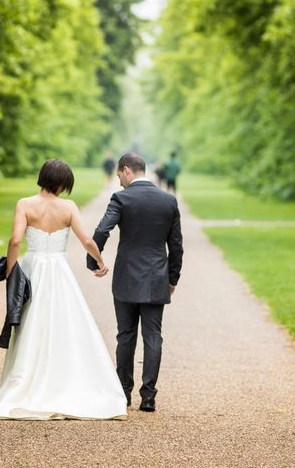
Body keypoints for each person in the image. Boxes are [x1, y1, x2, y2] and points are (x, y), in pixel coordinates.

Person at [0, 159, 127, 421]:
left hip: (33, 268)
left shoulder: (25, 205)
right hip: (59, 271)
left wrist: (10, 272)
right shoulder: (68, 207)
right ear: (62, 183)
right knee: (64, 323)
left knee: (30, 323)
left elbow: (15, 240)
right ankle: (63, 380)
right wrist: (100, 261)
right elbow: (86, 239)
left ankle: (25, 381)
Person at [87, 153, 183, 412]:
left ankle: (124, 392)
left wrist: (93, 259)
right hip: (156, 277)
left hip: (126, 276)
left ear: (127, 170)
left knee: (125, 335)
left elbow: (102, 229)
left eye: (119, 175)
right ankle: (149, 396)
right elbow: (176, 246)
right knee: (153, 336)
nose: (119, 181)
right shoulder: (168, 200)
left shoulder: (121, 198)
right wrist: (172, 278)